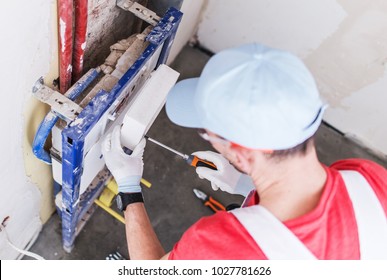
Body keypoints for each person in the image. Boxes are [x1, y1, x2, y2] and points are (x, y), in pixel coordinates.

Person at [102, 43, 387, 260]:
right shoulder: (370, 180)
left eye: (207, 132)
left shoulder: (217, 246)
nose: (207, 137)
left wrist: (129, 189)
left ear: (240, 152)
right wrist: (245, 186)